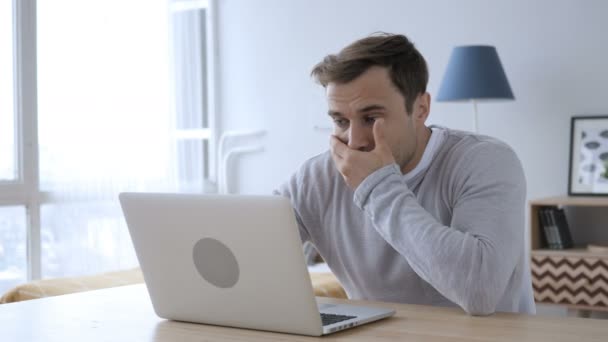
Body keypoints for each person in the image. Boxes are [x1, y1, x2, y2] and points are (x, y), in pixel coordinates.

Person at [274, 33, 535, 316]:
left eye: (371, 118)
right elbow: (252, 250)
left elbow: (479, 291)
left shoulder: (485, 161)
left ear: (421, 108)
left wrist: (377, 187)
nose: (355, 141)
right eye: (340, 121)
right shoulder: (316, 178)